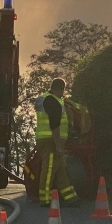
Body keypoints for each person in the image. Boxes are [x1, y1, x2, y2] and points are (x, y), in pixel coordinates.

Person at [35, 78, 80, 207]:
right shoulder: (52, 101)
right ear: (59, 89)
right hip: (50, 140)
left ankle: (70, 197)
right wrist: (58, 145)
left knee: (60, 168)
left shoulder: (43, 98)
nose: (63, 93)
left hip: (47, 138)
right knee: (49, 169)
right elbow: (54, 124)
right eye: (63, 90)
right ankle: (45, 199)